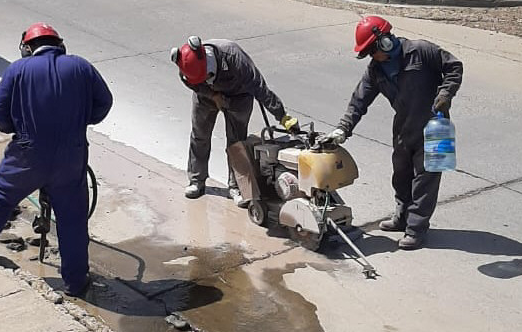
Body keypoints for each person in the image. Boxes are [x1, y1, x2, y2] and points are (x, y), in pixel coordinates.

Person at [0, 23, 113, 296]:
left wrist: (18, 130)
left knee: (0, 198)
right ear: (60, 44)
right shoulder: (81, 67)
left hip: (26, 155)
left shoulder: (17, 69)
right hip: (71, 157)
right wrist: (82, 122)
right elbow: (104, 102)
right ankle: (74, 281)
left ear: (27, 48)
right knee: (72, 219)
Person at [321, 16, 463, 250]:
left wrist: (446, 93)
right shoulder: (376, 71)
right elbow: (359, 101)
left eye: (371, 51)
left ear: (384, 42)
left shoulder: (421, 51)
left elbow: (454, 67)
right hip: (404, 128)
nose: (371, 57)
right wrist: (341, 130)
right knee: (401, 175)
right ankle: (402, 217)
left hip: (436, 125)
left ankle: (416, 230)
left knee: (426, 180)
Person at [170, 36, 298, 205]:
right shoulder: (187, 65)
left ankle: (236, 186)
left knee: (236, 144)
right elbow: (189, 82)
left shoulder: (235, 59)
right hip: (205, 95)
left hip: (239, 97)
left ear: (209, 66)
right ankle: (196, 181)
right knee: (199, 136)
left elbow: (260, 89)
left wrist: (283, 116)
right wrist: (211, 94)